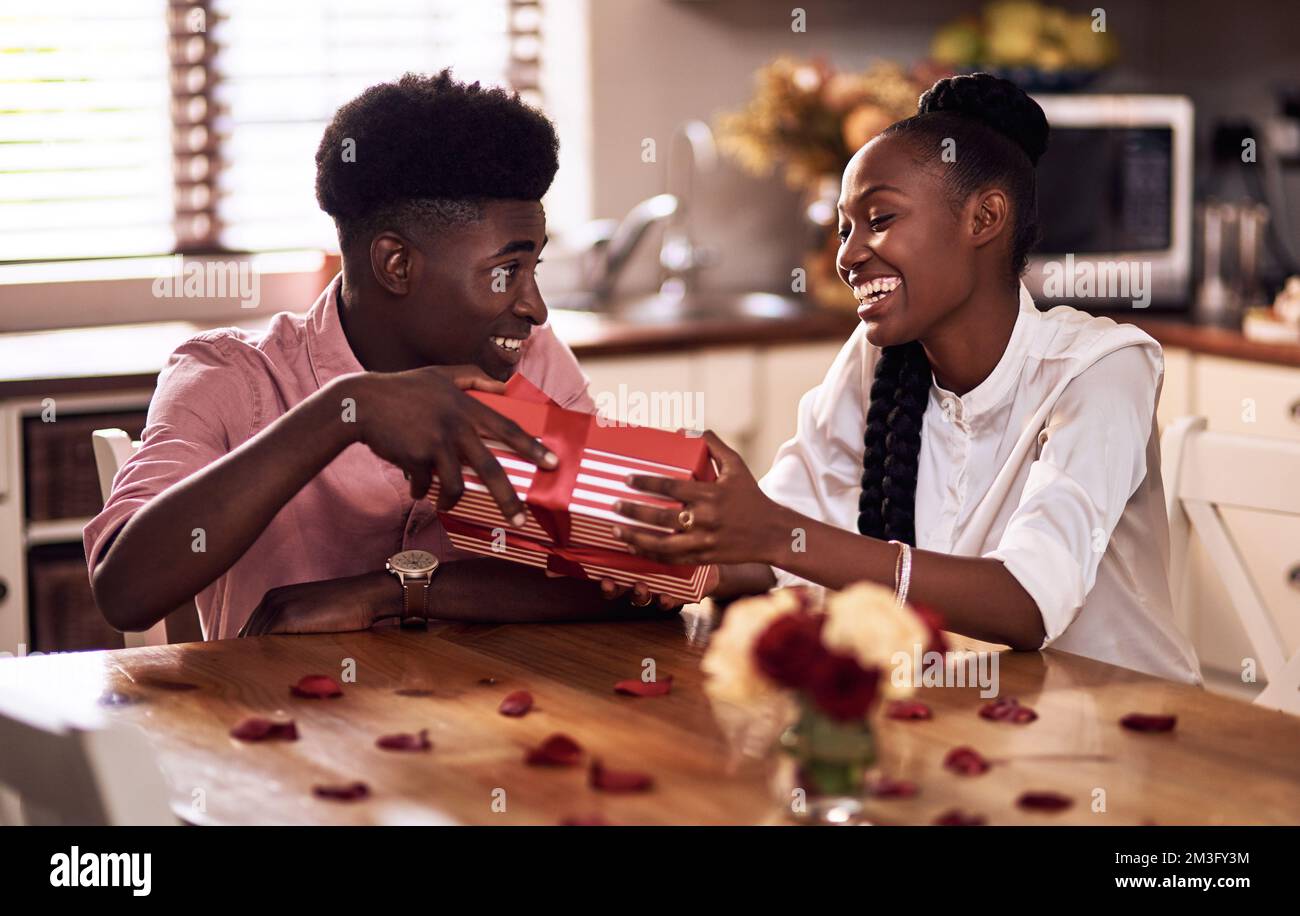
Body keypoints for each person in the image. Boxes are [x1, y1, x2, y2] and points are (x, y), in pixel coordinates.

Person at [612, 74, 1201, 685]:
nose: (847, 254)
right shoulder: (877, 358)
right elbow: (783, 541)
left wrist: (772, 535)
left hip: (1133, 731)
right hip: (971, 717)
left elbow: (1027, 604)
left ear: (984, 218)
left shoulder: (1100, 368)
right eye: (845, 228)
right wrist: (686, 558)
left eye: (880, 218)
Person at [86, 71, 664, 640]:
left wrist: (392, 592)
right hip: (286, 724)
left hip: (485, 720)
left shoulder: (531, 358)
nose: (535, 309)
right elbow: (126, 593)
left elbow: (630, 573)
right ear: (396, 264)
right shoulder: (232, 378)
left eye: (532, 268)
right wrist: (346, 410)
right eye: (505, 271)